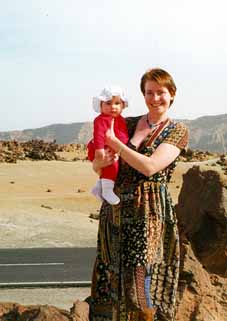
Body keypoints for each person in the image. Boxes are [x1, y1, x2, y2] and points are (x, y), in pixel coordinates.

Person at [89, 68, 188, 321]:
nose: (155, 98)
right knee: (110, 273)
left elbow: (150, 166)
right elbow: (98, 164)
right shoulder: (127, 122)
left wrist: (118, 145)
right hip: (116, 209)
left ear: (172, 94)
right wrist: (101, 160)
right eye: (149, 93)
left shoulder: (177, 131)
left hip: (149, 211)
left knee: (140, 278)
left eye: (161, 93)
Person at [87, 86, 129, 205]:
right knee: (112, 166)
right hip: (101, 149)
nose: (113, 107)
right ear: (100, 105)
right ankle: (107, 190)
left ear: (123, 105)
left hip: (111, 149)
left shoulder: (120, 119)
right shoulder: (102, 119)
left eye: (117, 103)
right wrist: (99, 150)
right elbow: (99, 134)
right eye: (108, 103)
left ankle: (98, 188)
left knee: (110, 167)